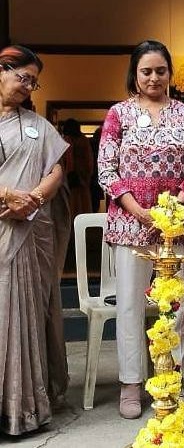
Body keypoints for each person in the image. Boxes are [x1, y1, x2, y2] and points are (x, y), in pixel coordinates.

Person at [97, 40, 184, 419]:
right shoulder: (118, 115)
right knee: (129, 304)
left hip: (176, 224)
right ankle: (131, 382)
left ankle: (172, 379)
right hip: (131, 224)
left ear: (169, 74)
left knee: (174, 305)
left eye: (161, 70)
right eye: (147, 71)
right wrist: (138, 210)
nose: (154, 77)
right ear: (135, 74)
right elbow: (106, 171)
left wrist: (175, 203)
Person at [0, 45, 69, 435]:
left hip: (29, 233)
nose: (28, 86)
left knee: (25, 313)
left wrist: (35, 198)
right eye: (22, 77)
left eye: (33, 81)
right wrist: (10, 197)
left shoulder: (37, 125)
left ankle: (24, 408)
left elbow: (56, 168)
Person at [62, 117, 94, 219]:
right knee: (82, 202)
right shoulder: (84, 140)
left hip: (69, 175)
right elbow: (89, 160)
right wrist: (88, 175)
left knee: (70, 202)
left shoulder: (64, 140)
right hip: (82, 175)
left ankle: (71, 224)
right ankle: (83, 223)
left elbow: (66, 159)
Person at [89, 126, 105, 212]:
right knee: (95, 201)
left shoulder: (89, 143)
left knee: (93, 200)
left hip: (94, 176)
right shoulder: (97, 145)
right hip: (94, 175)